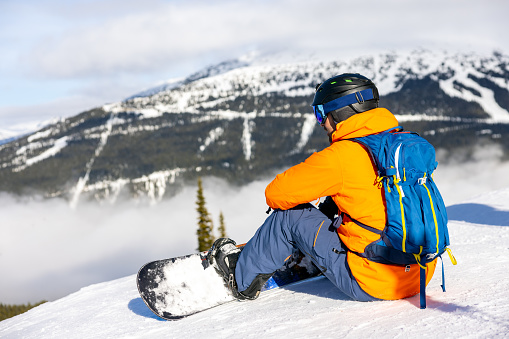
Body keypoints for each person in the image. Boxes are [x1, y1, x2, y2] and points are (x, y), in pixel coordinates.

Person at [209, 73, 437, 302]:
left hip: (374, 282)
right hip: (420, 273)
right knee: (338, 202)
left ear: (340, 112)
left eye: (321, 114)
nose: (322, 123)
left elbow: (275, 193)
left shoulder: (342, 156)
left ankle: (240, 278)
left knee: (290, 216)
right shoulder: (405, 144)